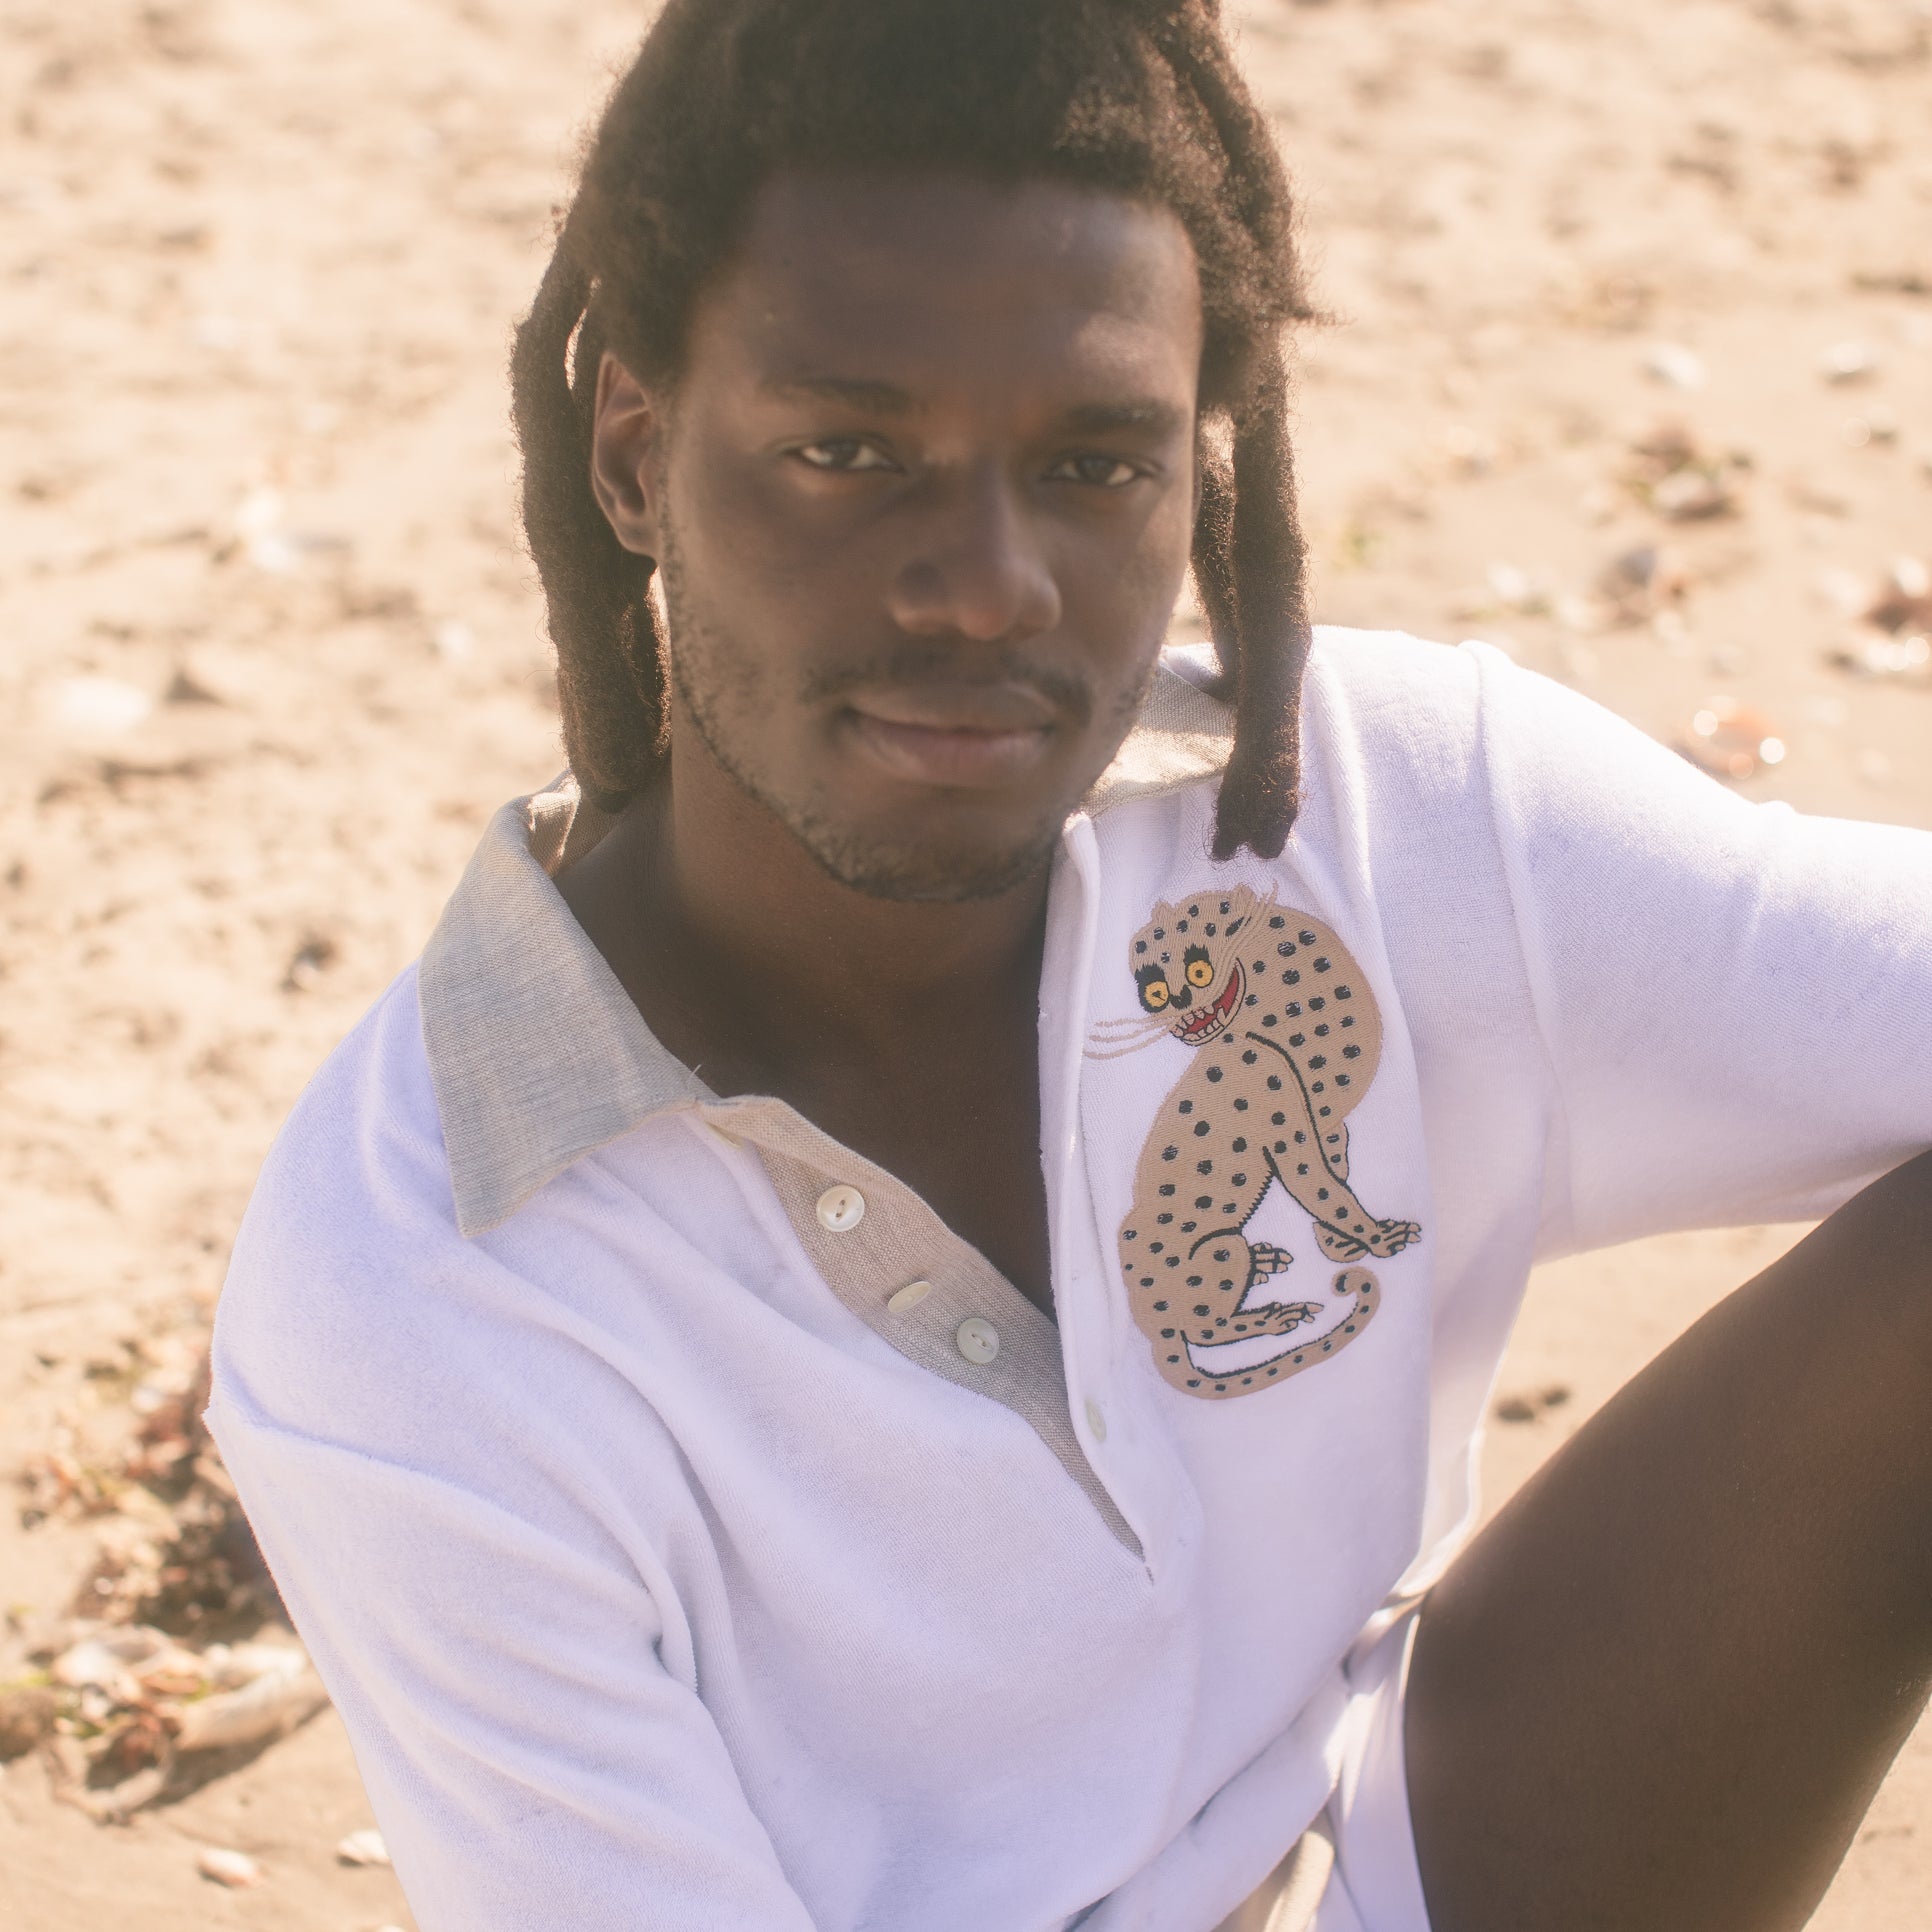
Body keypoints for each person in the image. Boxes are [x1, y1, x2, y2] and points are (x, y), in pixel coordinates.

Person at [204, 2, 1932, 1927]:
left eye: (1099, 466)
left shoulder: (1384, 820)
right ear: (635, 451)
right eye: (851, 450)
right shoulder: (416, 1287)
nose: (987, 585)